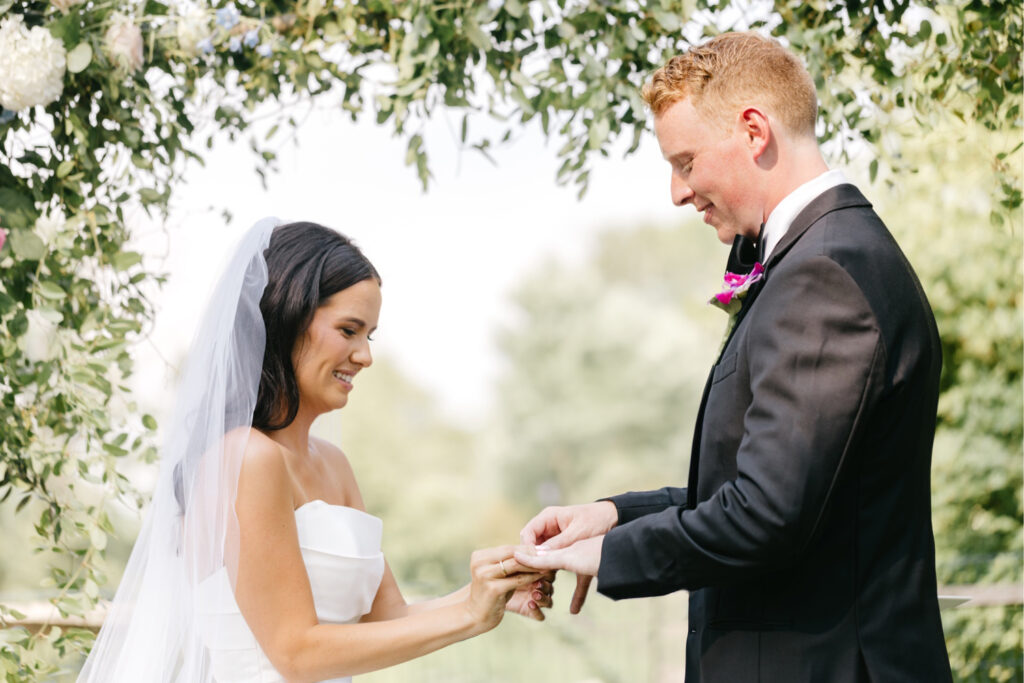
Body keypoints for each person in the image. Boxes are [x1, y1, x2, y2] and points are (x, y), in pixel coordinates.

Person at [516, 31, 953, 681]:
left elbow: (764, 515)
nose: (676, 191)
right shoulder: (826, 258)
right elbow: (769, 487)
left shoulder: (825, 273)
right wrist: (612, 515)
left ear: (754, 131)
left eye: (685, 162)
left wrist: (607, 554)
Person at [79, 219, 552, 683]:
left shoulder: (334, 464)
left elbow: (386, 618)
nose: (365, 355)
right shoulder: (247, 457)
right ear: (287, 321)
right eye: (349, 330)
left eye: (370, 335)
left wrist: (488, 591)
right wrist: (467, 617)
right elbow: (295, 654)